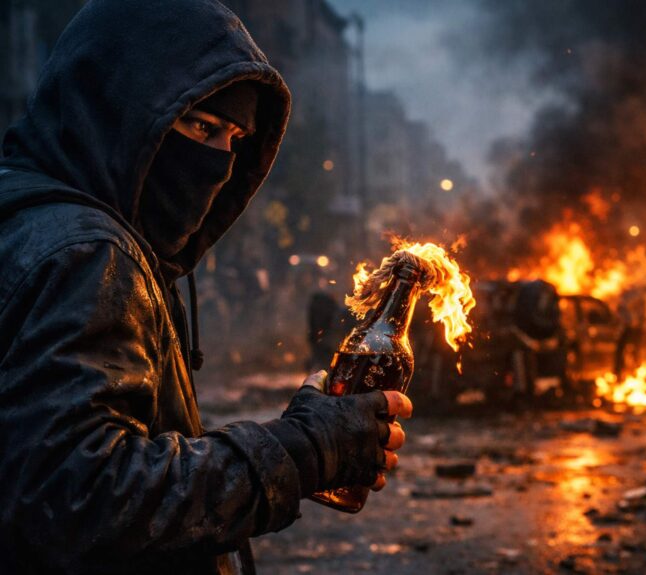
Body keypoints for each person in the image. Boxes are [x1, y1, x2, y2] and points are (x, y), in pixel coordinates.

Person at [0, 1, 412, 574]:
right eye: (201, 126)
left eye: (235, 137)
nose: (219, 160)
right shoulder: (87, 252)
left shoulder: (28, 213)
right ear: (122, 110)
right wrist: (304, 449)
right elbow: (80, 499)